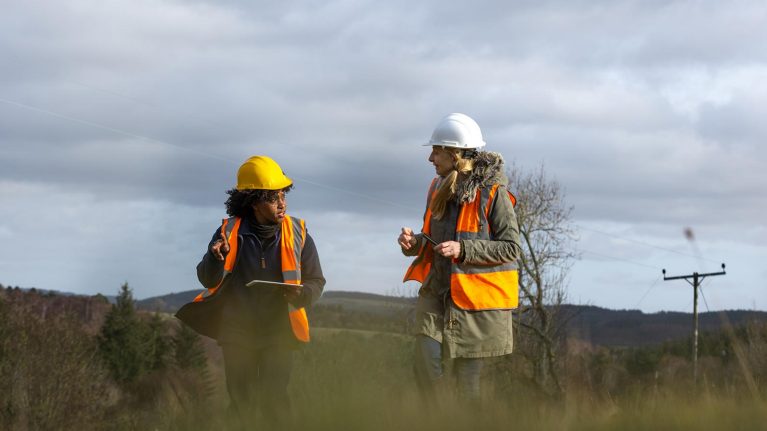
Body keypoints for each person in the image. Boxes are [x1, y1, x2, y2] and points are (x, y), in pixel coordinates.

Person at [176, 155, 325, 428]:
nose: (282, 203)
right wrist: (215, 257)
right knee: (241, 403)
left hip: (280, 331)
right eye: (273, 197)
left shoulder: (299, 232)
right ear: (254, 201)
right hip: (238, 332)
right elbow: (206, 278)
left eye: (283, 195)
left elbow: (316, 281)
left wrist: (302, 295)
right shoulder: (228, 232)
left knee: (274, 401)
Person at [398, 113, 522, 402]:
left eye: (437, 150)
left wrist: (463, 249)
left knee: (467, 389)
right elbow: (430, 238)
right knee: (425, 367)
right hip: (436, 293)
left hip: (473, 304)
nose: (430, 158)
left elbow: (511, 248)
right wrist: (413, 243)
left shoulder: (494, 193)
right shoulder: (435, 187)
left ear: (456, 154)